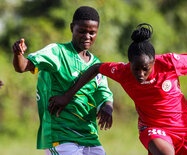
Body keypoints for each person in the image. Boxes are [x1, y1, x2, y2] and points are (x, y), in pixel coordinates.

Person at [48, 23, 187, 155]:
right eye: (136, 69)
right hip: (153, 128)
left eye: (146, 69)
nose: (141, 74)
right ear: (129, 64)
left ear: (154, 61)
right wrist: (68, 96)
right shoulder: (122, 72)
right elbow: (96, 68)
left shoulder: (170, 63)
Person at [12, 6, 113, 155]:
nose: (87, 36)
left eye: (92, 32)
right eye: (82, 31)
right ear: (72, 28)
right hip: (60, 136)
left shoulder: (97, 65)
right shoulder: (57, 52)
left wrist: (107, 108)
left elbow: (105, 94)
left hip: (90, 137)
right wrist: (18, 54)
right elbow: (23, 66)